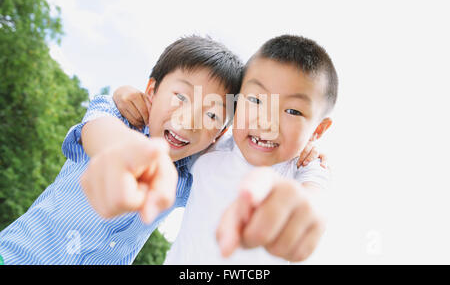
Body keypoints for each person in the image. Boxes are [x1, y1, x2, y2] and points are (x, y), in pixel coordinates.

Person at [0, 36, 243, 264]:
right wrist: (124, 151)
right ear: (151, 92)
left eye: (212, 114)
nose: (190, 120)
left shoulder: (190, 177)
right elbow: (99, 133)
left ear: (219, 134)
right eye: (181, 96)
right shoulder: (114, 114)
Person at [115, 35, 337, 264]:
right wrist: (126, 95)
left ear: (317, 130)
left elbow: (312, 199)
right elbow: (169, 133)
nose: (266, 121)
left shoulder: (306, 168)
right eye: (256, 100)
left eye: (292, 111)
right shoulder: (209, 148)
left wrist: (303, 208)